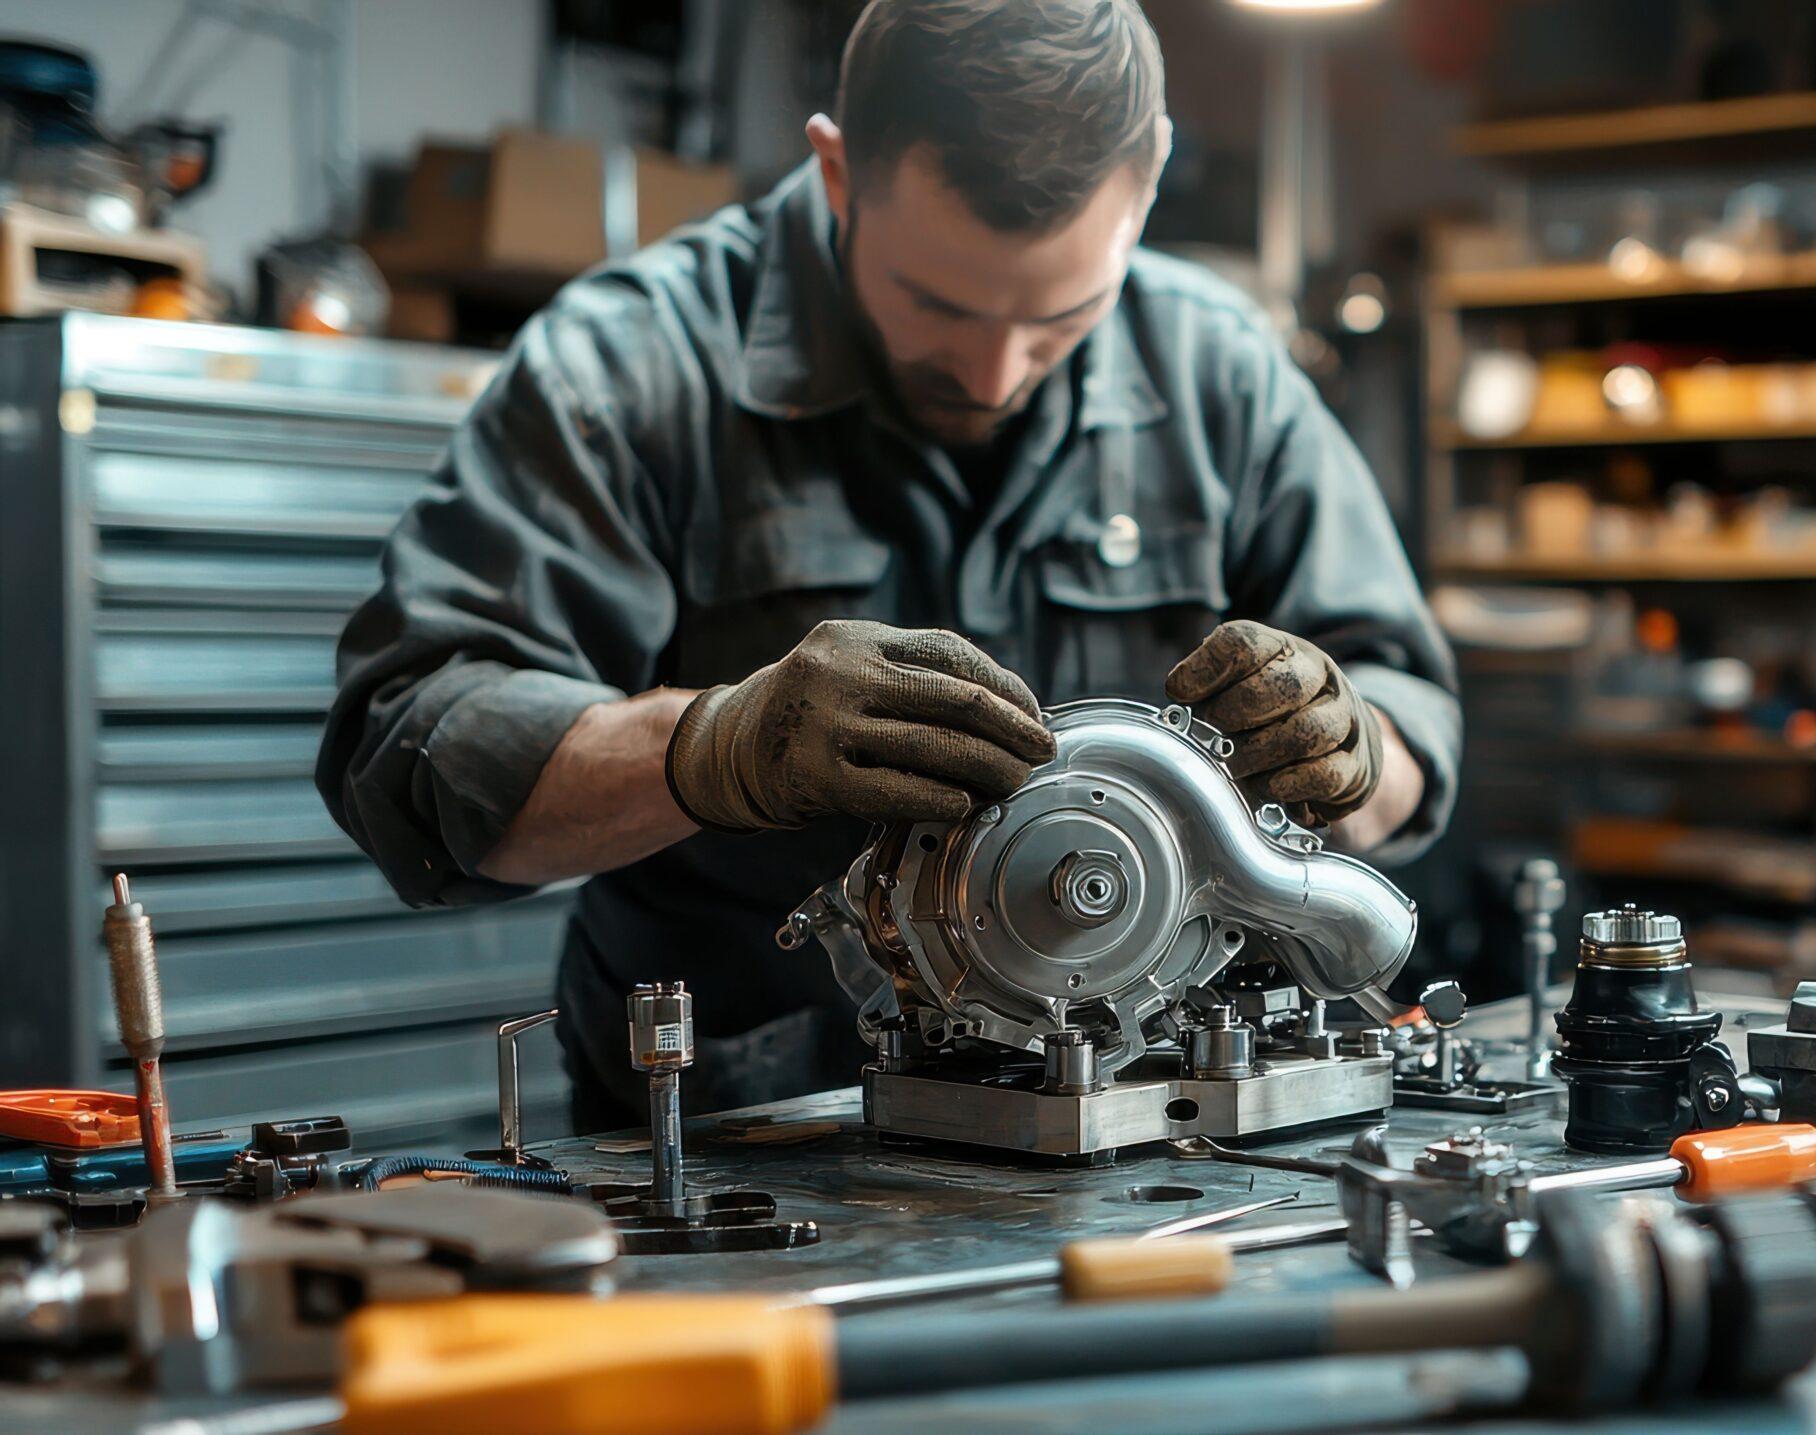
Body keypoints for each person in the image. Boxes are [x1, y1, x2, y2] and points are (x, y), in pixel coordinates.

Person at [319, 0, 1459, 1129]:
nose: (995, 372)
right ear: (835, 171)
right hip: (743, 1129)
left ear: (1147, 178)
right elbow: (415, 745)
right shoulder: (628, 367)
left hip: (1136, 1109)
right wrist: (712, 747)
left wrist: (1351, 749)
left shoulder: (1224, 376)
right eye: (936, 306)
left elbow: (1407, 724)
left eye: (1061, 318)